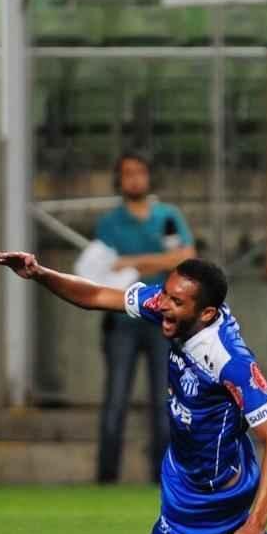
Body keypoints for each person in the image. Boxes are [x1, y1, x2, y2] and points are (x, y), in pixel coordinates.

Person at [0, 251, 267, 534]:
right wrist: (39, 273)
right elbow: (97, 295)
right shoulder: (170, 306)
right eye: (164, 294)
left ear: (207, 313)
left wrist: (257, 523)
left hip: (210, 485)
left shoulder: (230, 360)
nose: (161, 305)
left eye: (175, 301)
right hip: (185, 463)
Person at [93, 151, 196, 484]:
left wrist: (134, 263)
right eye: (127, 173)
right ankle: (106, 478)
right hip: (121, 320)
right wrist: (161, 261)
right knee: (115, 400)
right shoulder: (109, 223)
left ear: (149, 177)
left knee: (165, 403)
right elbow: (106, 266)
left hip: (163, 320)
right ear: (119, 180)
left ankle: (163, 478)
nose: (134, 179)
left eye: (140, 172)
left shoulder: (168, 216)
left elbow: (185, 259)